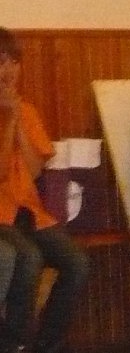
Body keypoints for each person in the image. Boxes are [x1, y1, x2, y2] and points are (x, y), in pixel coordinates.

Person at [0, 27, 90, 353]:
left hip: (28, 212)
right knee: (28, 258)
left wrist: (17, 118)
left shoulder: (27, 110)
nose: (8, 70)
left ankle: (46, 344)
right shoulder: (14, 113)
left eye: (14, 62)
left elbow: (35, 169)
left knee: (77, 264)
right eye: (0, 62)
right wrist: (9, 121)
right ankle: (14, 344)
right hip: (1, 216)